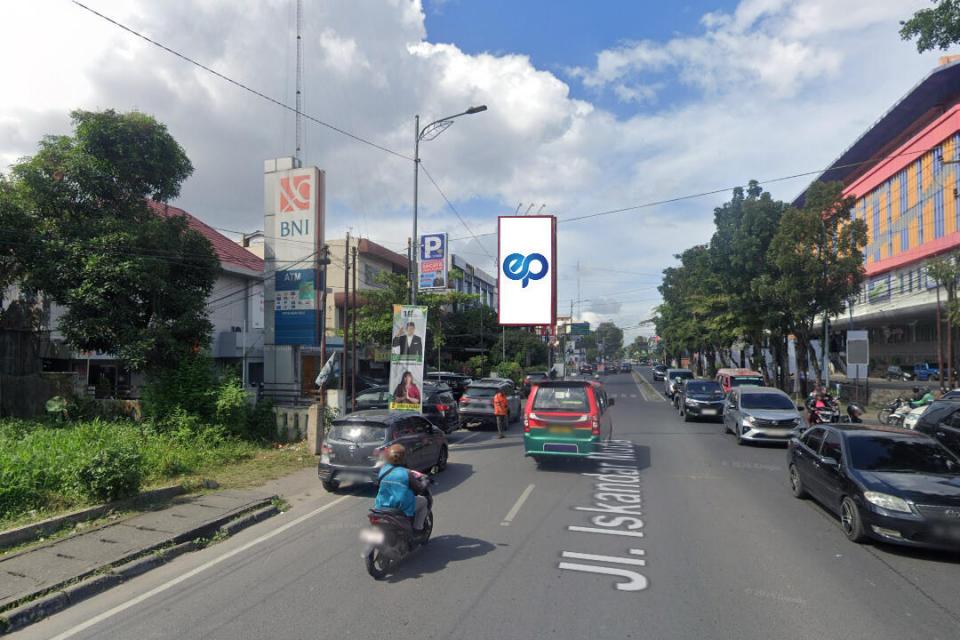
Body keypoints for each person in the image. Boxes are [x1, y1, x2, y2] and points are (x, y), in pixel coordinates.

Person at [374, 444, 428, 531]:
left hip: (381, 505)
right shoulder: (406, 473)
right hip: (400, 507)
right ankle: (418, 528)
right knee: (424, 501)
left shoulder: (383, 470)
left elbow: (377, 485)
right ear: (403, 458)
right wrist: (425, 481)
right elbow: (419, 489)